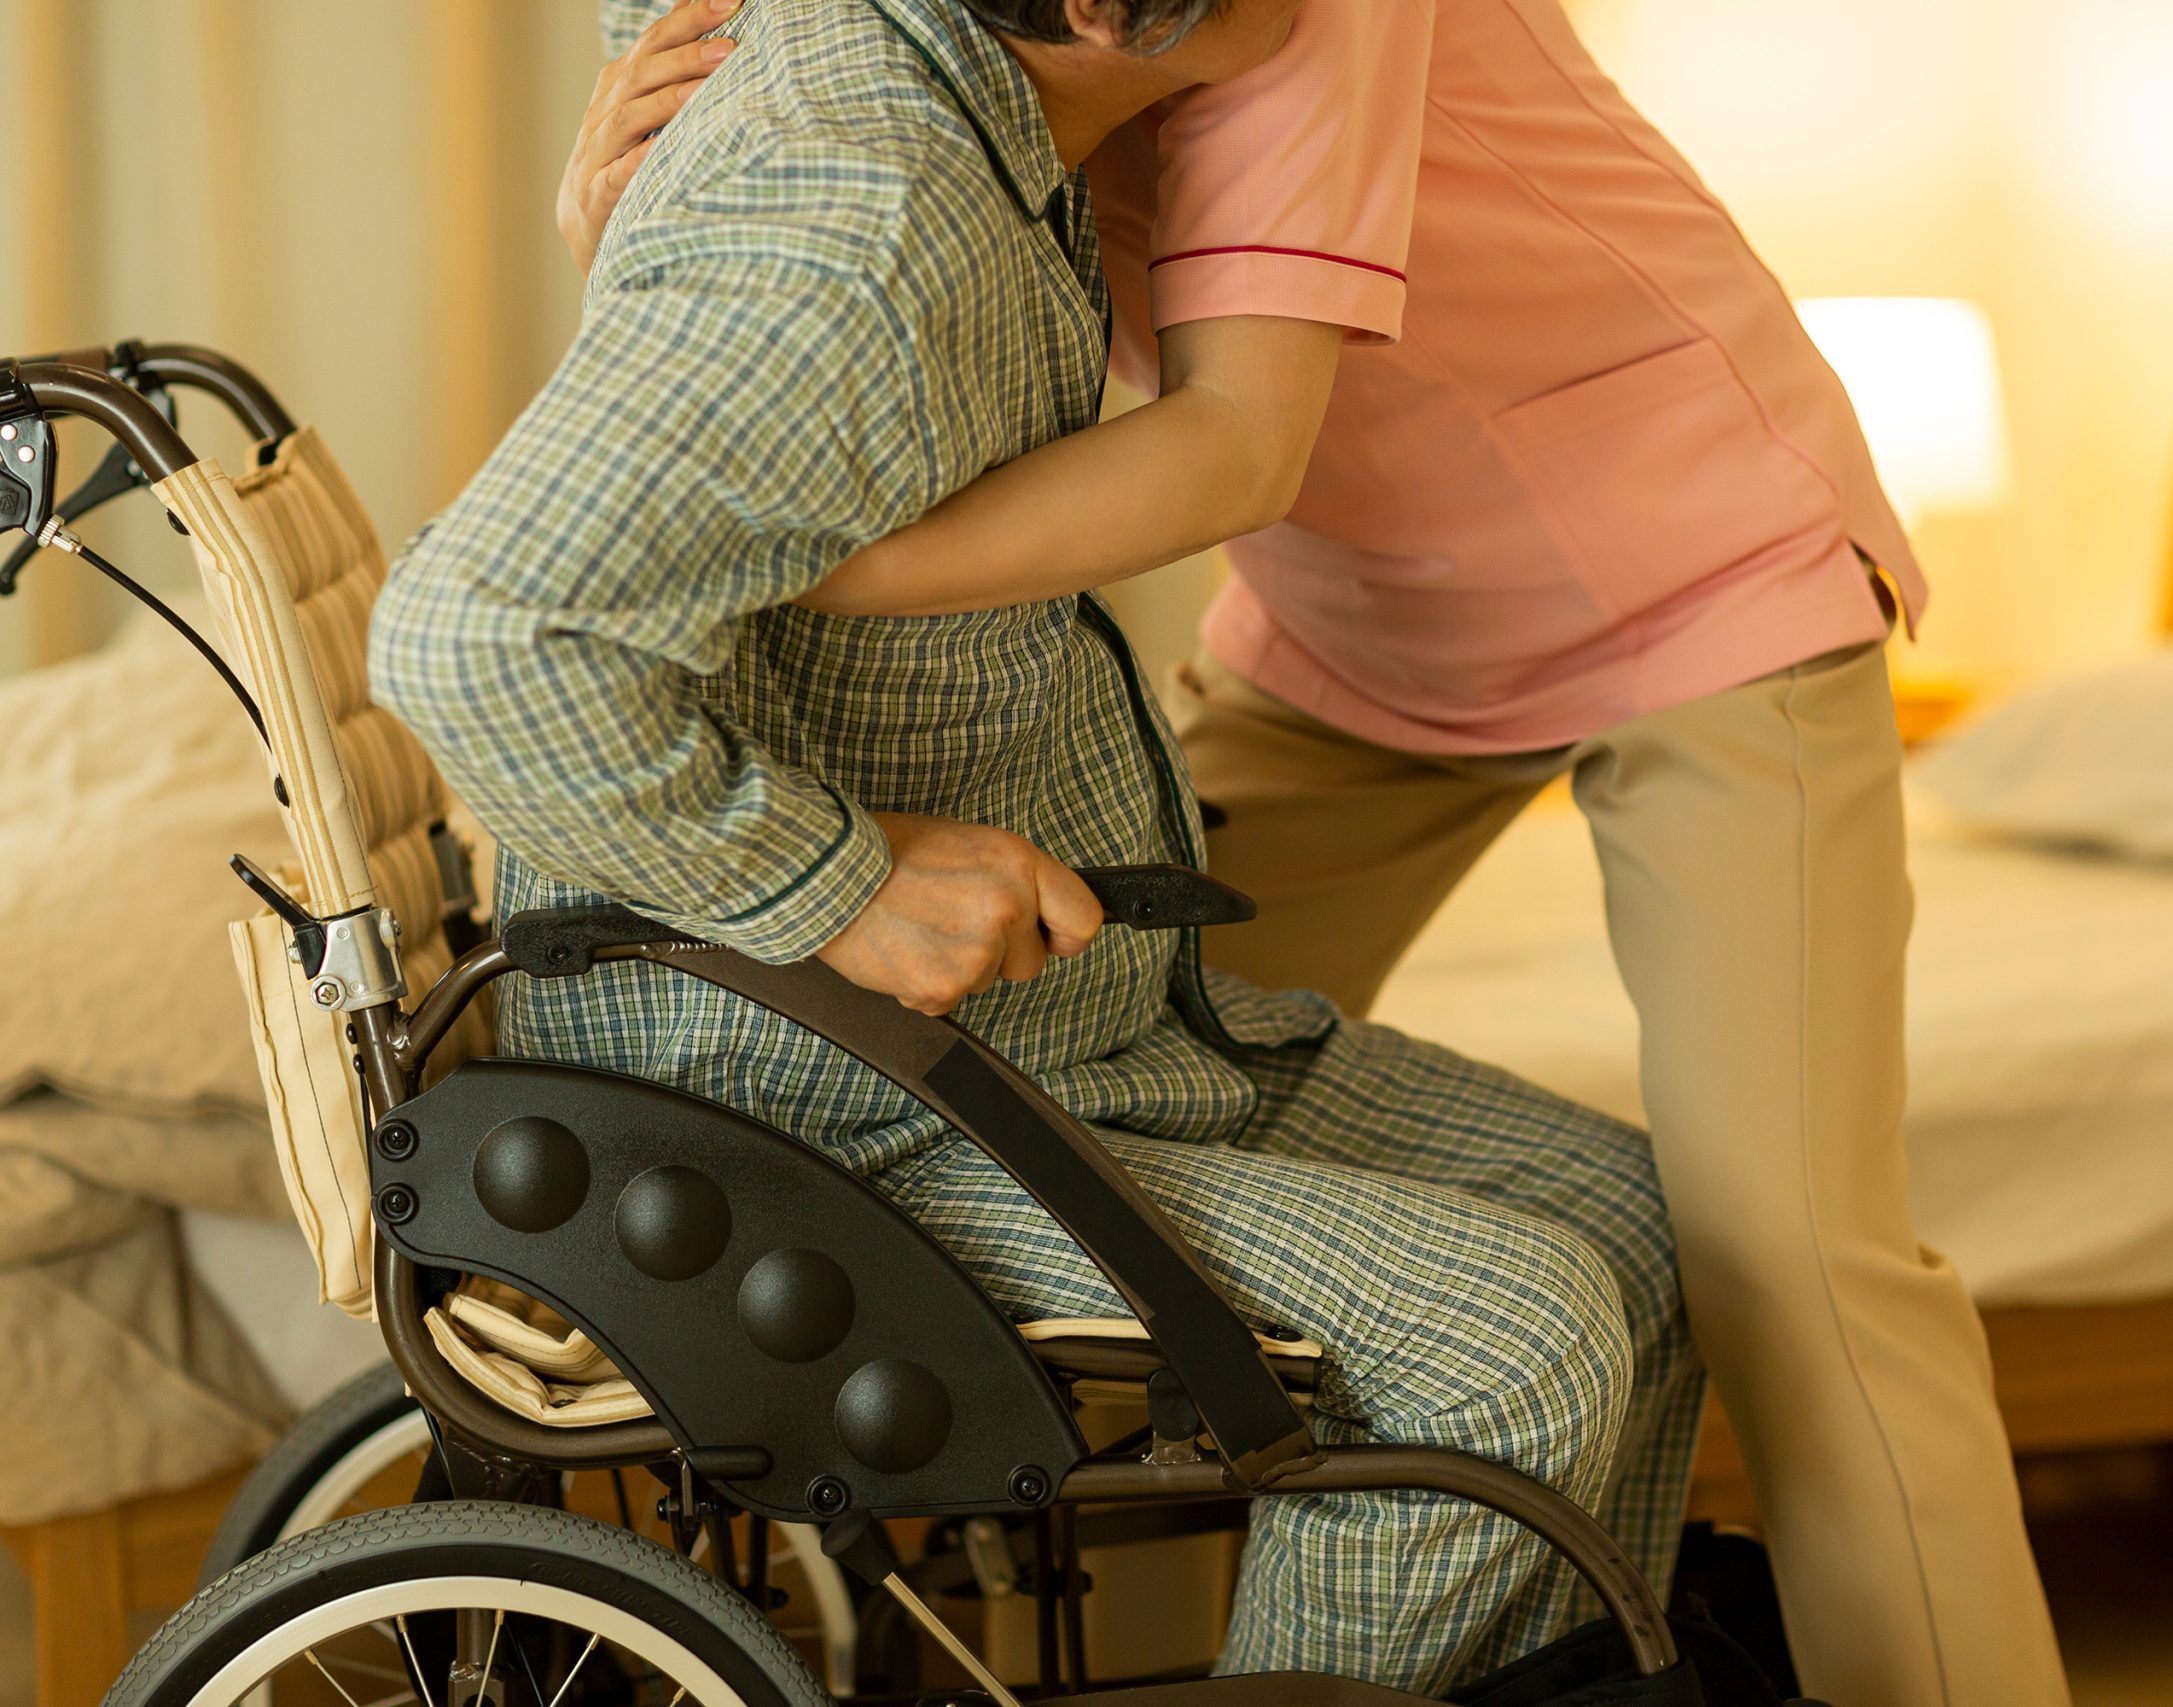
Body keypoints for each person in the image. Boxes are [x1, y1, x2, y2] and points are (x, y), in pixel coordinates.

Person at [564, 3, 2074, 1703]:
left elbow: (1233, 440)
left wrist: (744, 554)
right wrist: (614, 185)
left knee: (1789, 1258)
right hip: (1356, 620)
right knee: (1083, 1109)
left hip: (1686, 569)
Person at [374, 0, 1705, 1692]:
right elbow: (475, 635)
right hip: (824, 1098)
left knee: (1641, 1231)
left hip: (1045, 1039)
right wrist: (837, 891)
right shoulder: (864, 213)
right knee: (1511, 1351)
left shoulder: (956, 111)